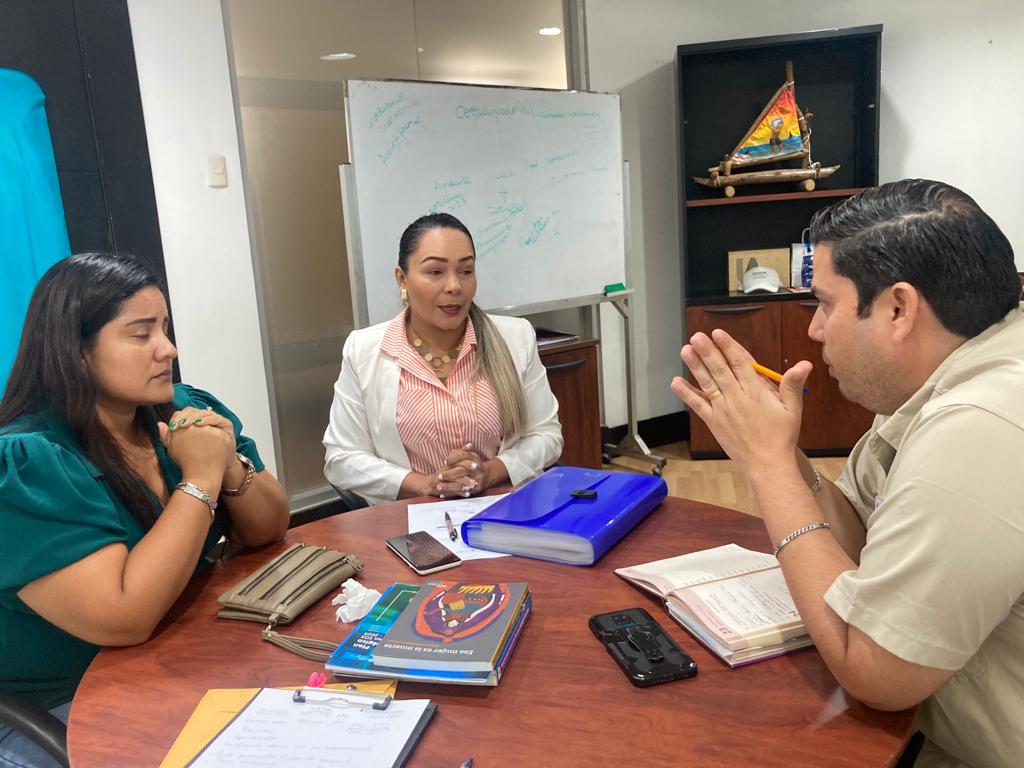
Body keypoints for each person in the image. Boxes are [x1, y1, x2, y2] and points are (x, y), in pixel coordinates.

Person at [671, 179, 1023, 767]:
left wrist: (767, 466)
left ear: (898, 309)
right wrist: (783, 452)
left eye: (826, 304)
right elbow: (858, 542)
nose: (814, 329)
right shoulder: (943, 375)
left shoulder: (977, 426)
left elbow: (877, 673)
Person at [0, 253, 289, 768]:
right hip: (64, 705)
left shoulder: (183, 407)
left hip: (177, 659)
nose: (168, 349)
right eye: (141, 334)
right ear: (76, 351)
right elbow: (124, 618)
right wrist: (200, 478)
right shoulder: (28, 461)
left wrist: (225, 463)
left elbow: (270, 526)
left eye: (165, 328)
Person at [324, 212, 562, 506]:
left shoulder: (515, 338)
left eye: (466, 271)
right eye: (435, 272)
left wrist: (489, 472)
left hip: (505, 511)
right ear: (402, 278)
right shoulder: (364, 350)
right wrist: (425, 484)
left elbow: (547, 436)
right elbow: (342, 458)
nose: (454, 286)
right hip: (410, 518)